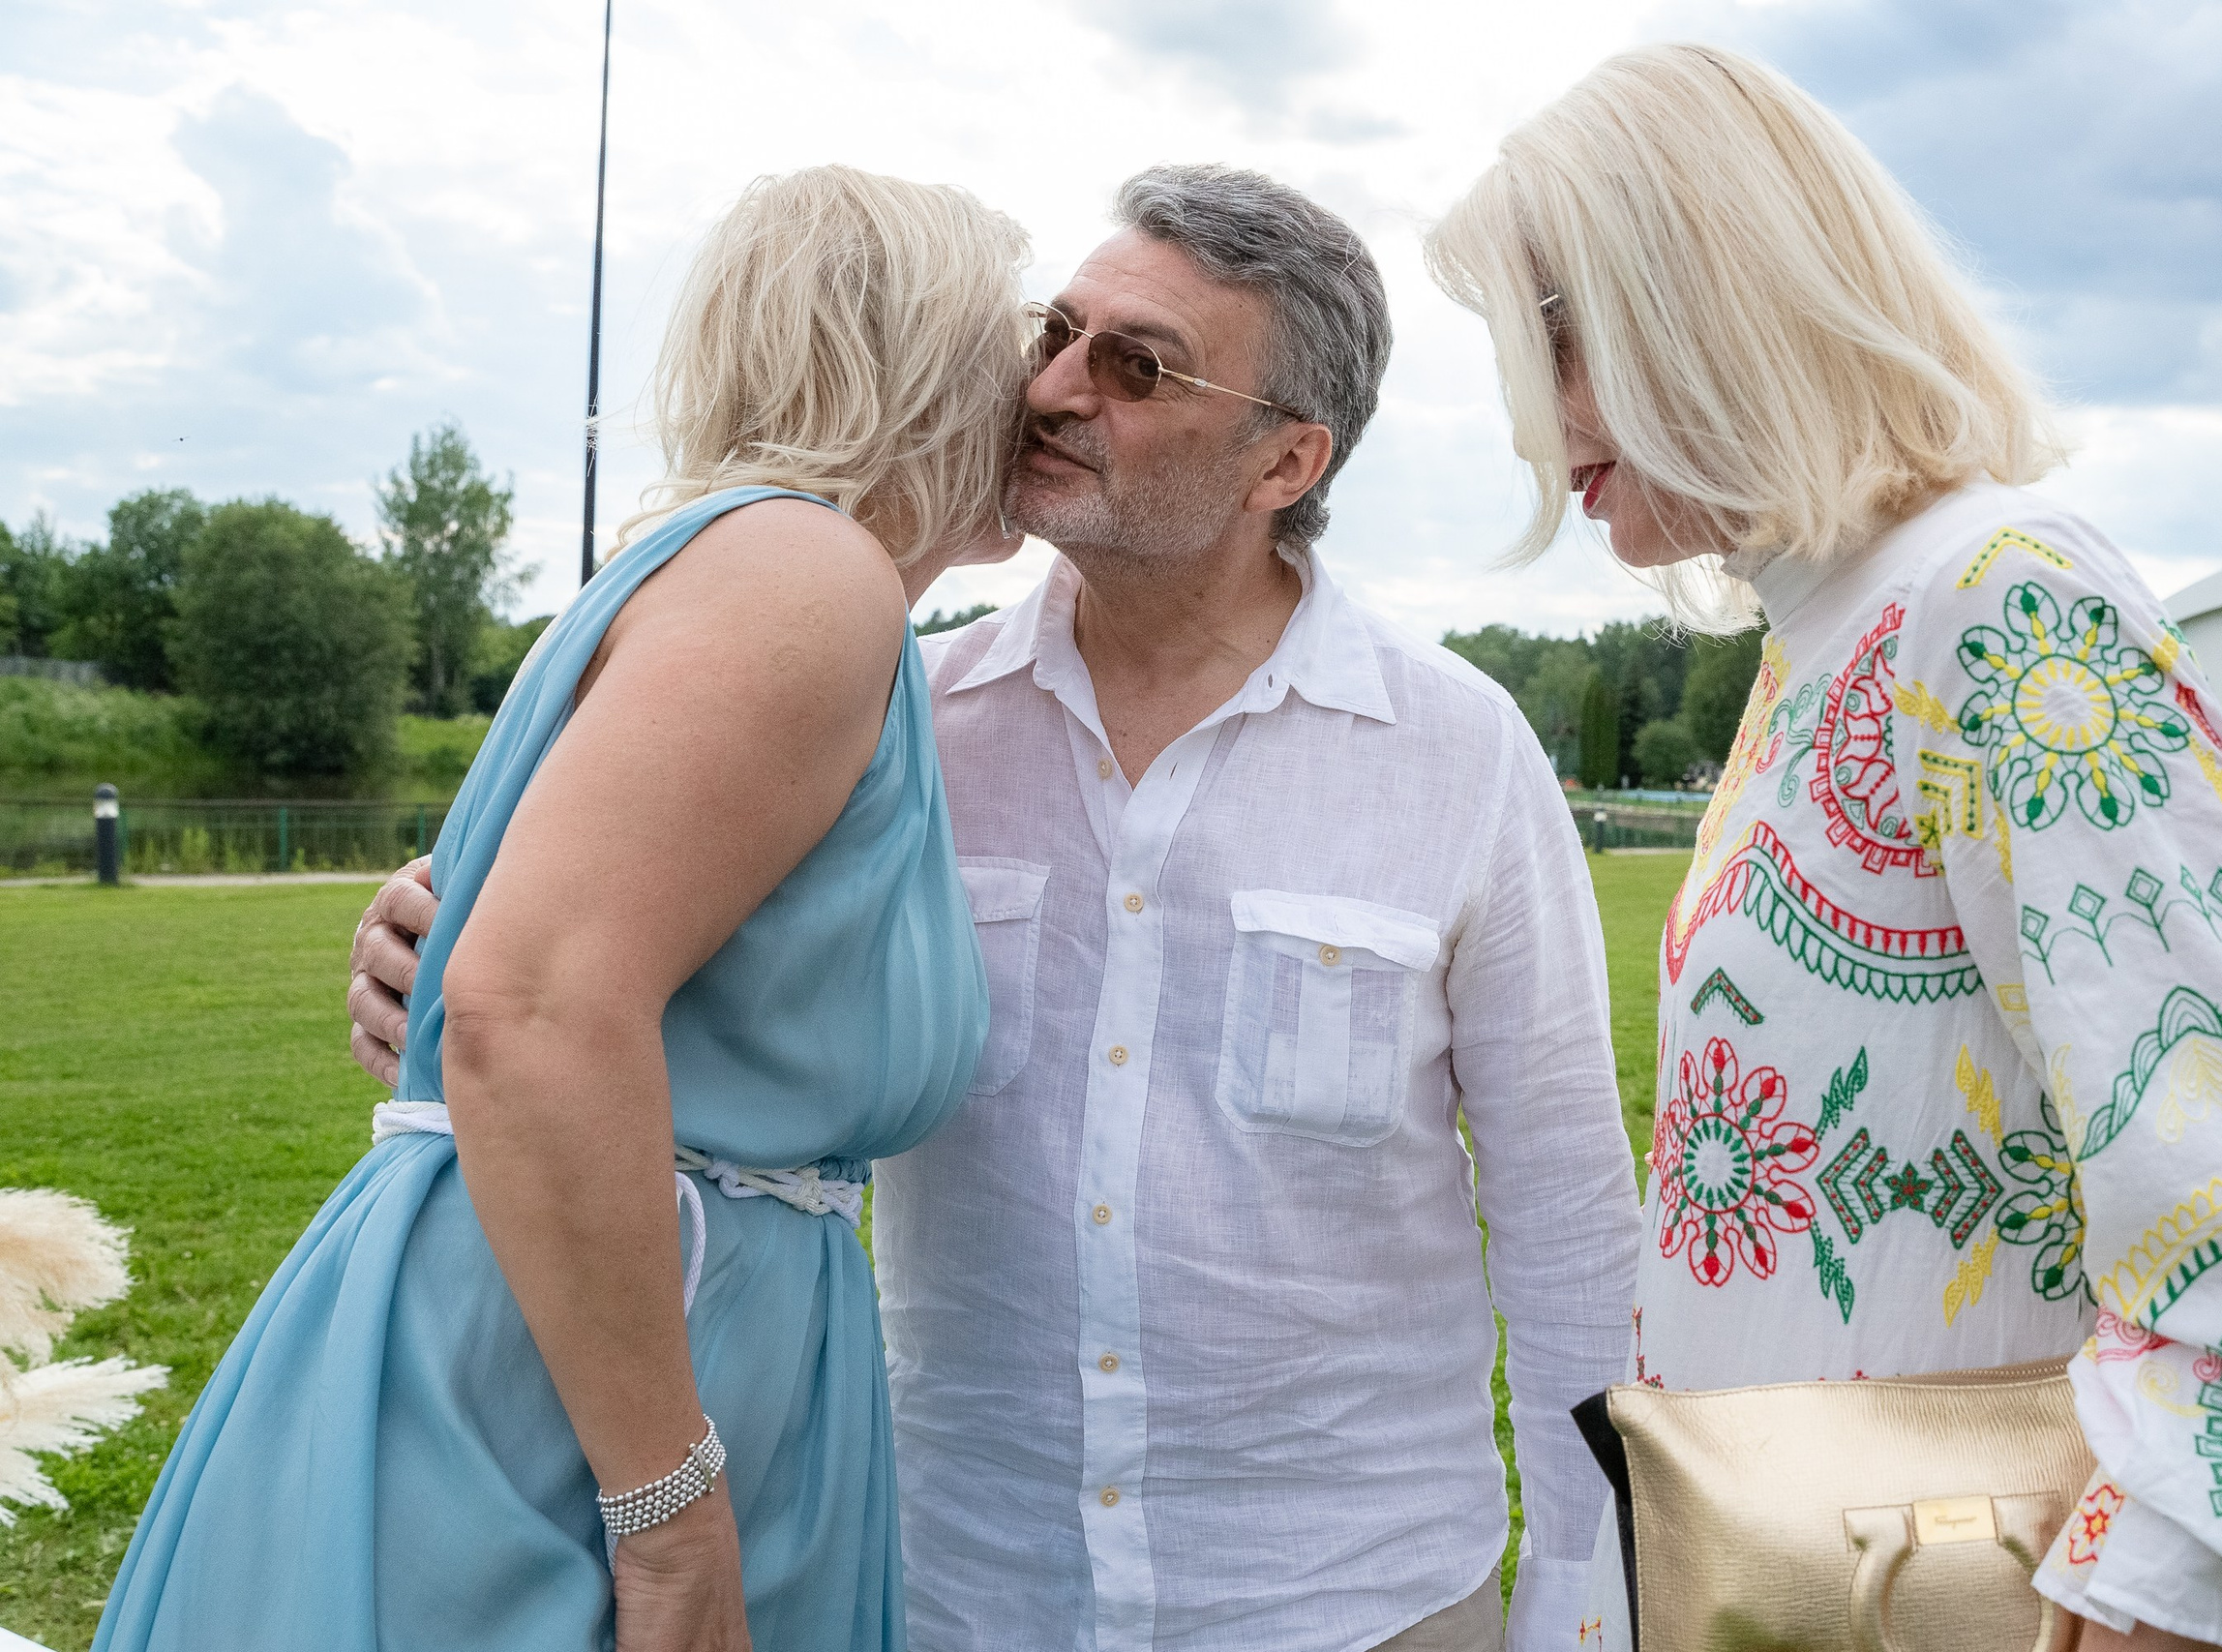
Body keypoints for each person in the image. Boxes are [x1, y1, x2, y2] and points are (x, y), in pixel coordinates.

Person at [351, 164, 1641, 1652]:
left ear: (1285, 463)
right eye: (1056, 331)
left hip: (1347, 1595)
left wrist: (1578, 1603)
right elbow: (587, 973)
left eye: (1136, 364)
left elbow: (1564, 1224)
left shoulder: (1459, 752)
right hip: (955, 1583)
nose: (1052, 388)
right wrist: (431, 934)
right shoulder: (896, 714)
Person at [1426, 44, 2222, 1652]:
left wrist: (2142, 1608)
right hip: (1834, 1581)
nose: (1524, 431)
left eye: (1538, 349)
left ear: (1685, 301)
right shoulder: (1825, 633)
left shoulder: (2001, 600)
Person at [103, 165, 1029, 1652]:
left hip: (628, 1366)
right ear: (927, 356)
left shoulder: (744, 578)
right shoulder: (806, 572)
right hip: (571, 1422)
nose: (1048, 384)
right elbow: (531, 1006)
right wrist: (669, 1523)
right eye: (1026, 332)